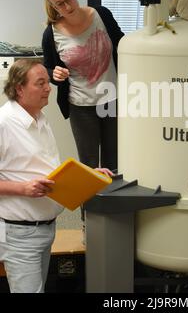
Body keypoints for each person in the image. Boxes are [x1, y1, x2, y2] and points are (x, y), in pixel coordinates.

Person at [0, 59, 112, 293]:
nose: (48, 88)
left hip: (45, 229)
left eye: (47, 82)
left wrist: (88, 174)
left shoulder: (40, 118)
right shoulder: (4, 123)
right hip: (19, 234)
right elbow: (26, 181)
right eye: (40, 83)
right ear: (19, 88)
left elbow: (45, 169)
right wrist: (23, 189)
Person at [42, 0, 124, 173]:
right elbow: (47, 68)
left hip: (113, 99)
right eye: (60, 4)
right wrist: (55, 73)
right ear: (53, 6)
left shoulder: (101, 15)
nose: (67, 6)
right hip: (80, 106)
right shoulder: (51, 33)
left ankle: (113, 204)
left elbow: (122, 44)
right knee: (89, 167)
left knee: (114, 163)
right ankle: (90, 205)